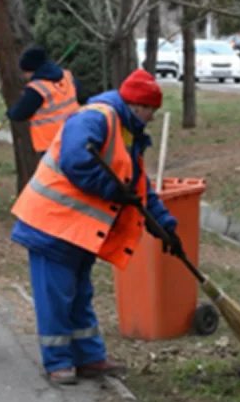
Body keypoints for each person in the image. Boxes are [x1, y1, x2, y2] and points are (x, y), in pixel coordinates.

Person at [9, 68, 183, 386]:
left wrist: (165, 225)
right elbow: (76, 162)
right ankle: (58, 361)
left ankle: (89, 357)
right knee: (56, 297)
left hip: (79, 231)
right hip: (51, 226)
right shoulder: (95, 118)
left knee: (79, 295)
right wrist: (111, 189)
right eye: (151, 111)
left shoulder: (127, 130)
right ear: (137, 106)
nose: (153, 118)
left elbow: (138, 184)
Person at [6, 46, 80, 157]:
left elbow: (18, 114)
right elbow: (76, 90)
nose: (25, 76)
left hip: (52, 144)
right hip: (76, 134)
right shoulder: (66, 76)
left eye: (26, 72)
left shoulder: (37, 89)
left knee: (54, 174)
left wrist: (10, 112)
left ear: (32, 70)